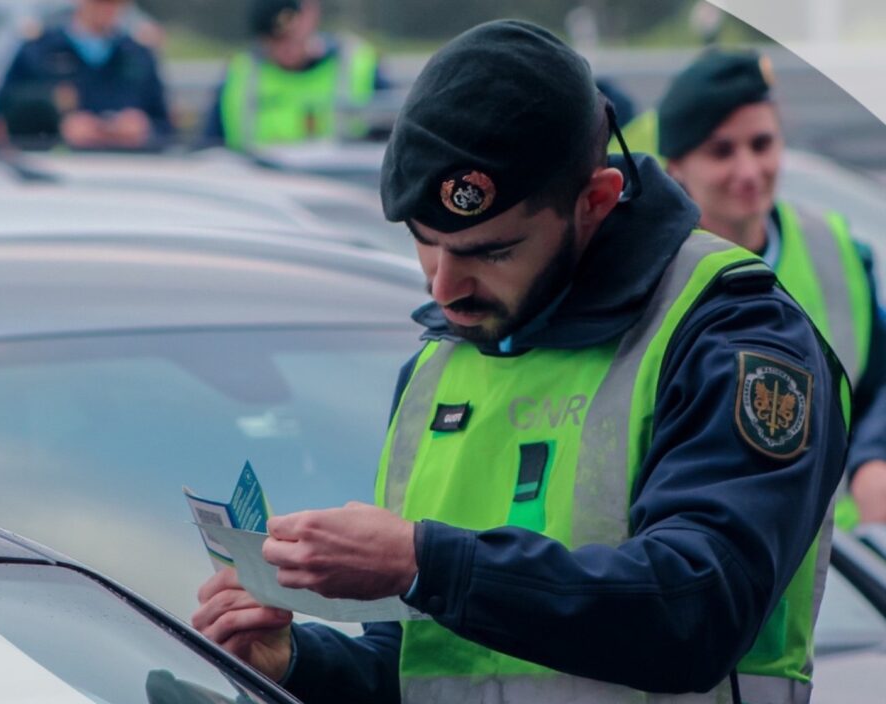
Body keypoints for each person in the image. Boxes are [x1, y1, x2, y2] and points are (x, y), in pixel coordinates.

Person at [192, 21, 847, 703]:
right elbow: (425, 665)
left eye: (492, 251)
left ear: (595, 200)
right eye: (426, 243)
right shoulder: (439, 366)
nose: (443, 288)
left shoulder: (732, 333)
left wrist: (422, 561)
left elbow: (693, 613)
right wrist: (298, 663)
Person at [657, 48, 886, 525]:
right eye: (721, 151)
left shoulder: (838, 251)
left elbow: (877, 384)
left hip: (840, 559)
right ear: (675, 166)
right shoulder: (647, 273)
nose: (748, 171)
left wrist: (872, 458)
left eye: (762, 144)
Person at [199, 0, 388, 151]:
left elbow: (393, 145)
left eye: (291, 35)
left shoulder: (357, 65)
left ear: (311, 12)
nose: (285, 47)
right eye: (274, 40)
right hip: (264, 189)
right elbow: (209, 150)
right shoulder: (240, 76)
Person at [0, 0, 172, 150]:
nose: (106, 8)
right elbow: (2, 119)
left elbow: (166, 126)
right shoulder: (38, 51)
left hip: (128, 170)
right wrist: (59, 127)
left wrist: (145, 128)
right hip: (59, 170)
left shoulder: (138, 55)